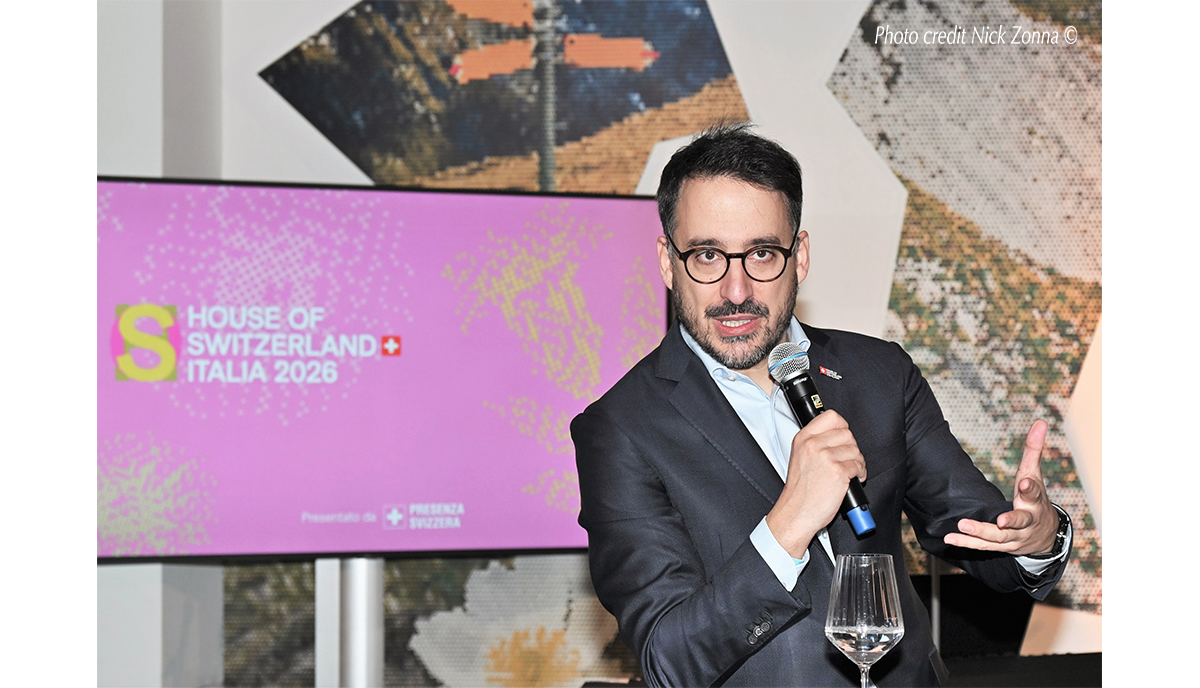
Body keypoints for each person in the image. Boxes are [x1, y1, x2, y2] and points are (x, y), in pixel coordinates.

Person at [571, 124, 1072, 687]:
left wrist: (1038, 538)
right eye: (707, 256)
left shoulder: (879, 374)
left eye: (762, 253)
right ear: (668, 262)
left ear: (800, 256)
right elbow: (670, 661)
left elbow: (980, 533)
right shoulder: (620, 429)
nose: (736, 291)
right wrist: (788, 522)